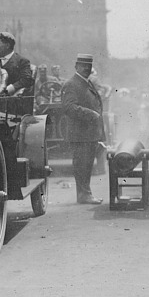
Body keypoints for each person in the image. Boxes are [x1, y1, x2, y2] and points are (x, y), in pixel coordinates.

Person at [61, 54, 105, 205]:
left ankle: (85, 194)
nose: (86, 68)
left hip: (88, 134)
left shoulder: (87, 82)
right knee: (82, 166)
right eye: (83, 66)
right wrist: (90, 113)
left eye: (88, 66)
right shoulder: (72, 84)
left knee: (86, 166)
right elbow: (68, 107)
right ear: (76, 66)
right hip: (79, 134)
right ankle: (84, 195)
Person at [0, 31, 34, 98]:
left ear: (7, 45)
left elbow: (27, 80)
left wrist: (9, 89)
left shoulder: (22, 61)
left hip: (13, 101)